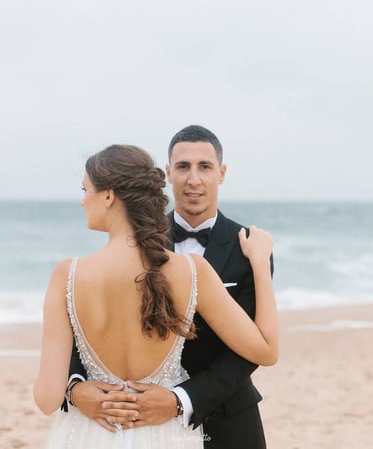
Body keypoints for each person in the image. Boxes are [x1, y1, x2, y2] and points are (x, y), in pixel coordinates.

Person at [34, 142, 278, 449]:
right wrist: (259, 262)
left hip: (94, 432)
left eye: (85, 190)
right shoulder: (192, 270)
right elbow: (267, 351)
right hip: (166, 434)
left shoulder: (67, 274)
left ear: (108, 196)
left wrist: (75, 391)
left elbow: (46, 399)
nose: (83, 201)